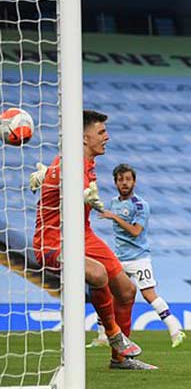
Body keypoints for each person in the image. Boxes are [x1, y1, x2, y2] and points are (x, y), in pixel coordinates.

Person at [31, 110, 156, 370]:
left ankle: (120, 360)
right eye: (101, 132)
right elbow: (57, 180)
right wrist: (52, 178)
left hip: (84, 234)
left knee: (127, 290)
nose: (107, 137)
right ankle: (113, 333)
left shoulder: (87, 163)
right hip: (54, 240)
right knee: (98, 274)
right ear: (84, 138)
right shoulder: (67, 165)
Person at [86, 164, 186, 349]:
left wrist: (114, 218)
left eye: (128, 179)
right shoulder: (114, 202)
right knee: (105, 292)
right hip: (118, 258)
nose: (124, 183)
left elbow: (135, 231)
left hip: (138, 258)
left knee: (148, 294)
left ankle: (175, 329)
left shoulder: (140, 205)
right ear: (115, 183)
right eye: (120, 180)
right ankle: (102, 337)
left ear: (134, 182)